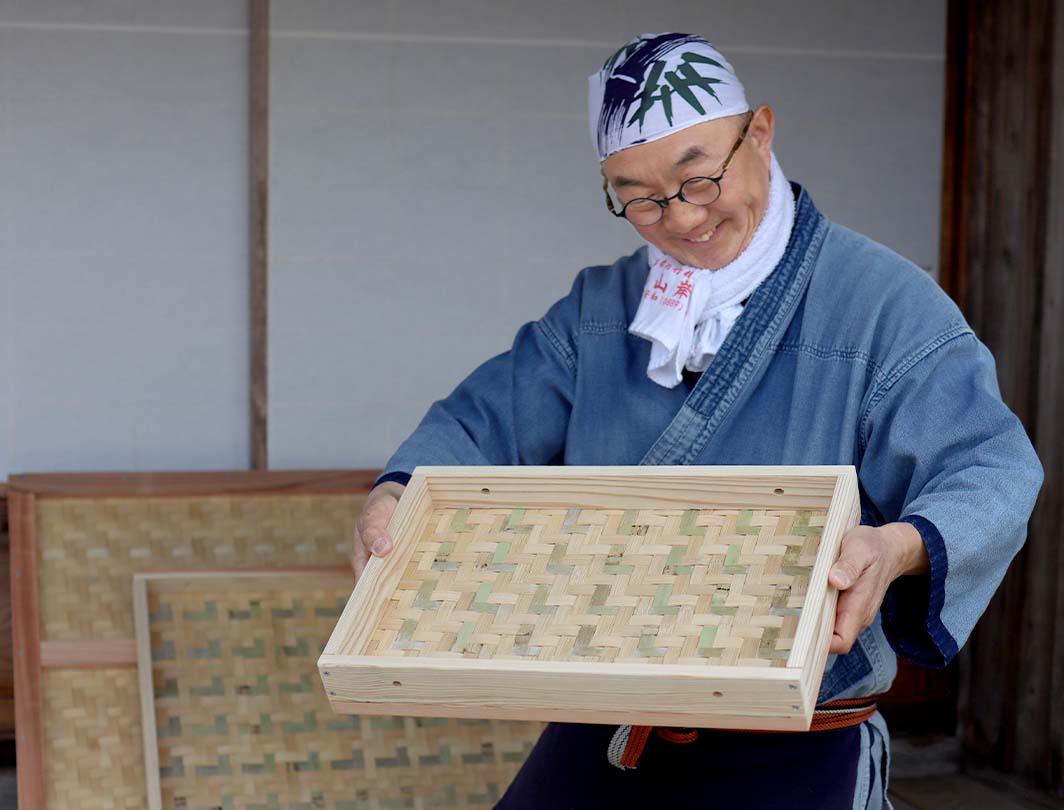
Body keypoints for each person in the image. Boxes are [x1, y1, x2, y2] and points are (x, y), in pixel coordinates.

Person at [349, 33, 1043, 809]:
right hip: (608, 714)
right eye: (637, 196)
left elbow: (991, 469)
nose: (679, 219)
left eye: (699, 179)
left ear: (762, 133)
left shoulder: (882, 304)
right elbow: (479, 422)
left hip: (794, 732)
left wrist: (894, 546)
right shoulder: (600, 310)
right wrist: (397, 494)